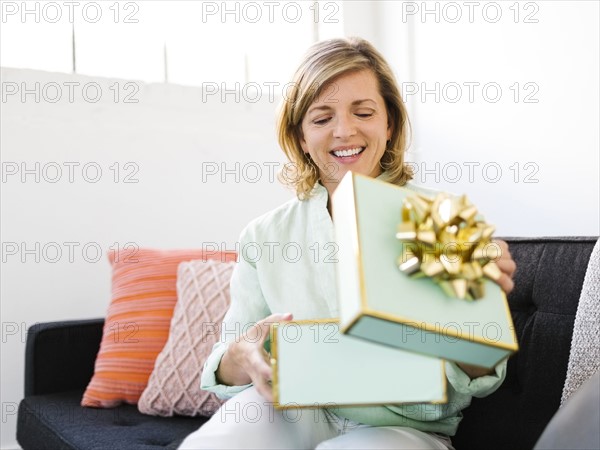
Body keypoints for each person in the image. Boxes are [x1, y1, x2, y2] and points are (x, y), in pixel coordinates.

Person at [179, 37, 516, 450]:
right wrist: (240, 358)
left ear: (389, 124)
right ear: (301, 137)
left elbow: (478, 377)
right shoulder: (263, 236)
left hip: (404, 429)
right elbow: (230, 361)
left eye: (364, 112)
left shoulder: (439, 221)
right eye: (321, 119)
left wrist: (478, 314)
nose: (344, 131)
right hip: (294, 411)